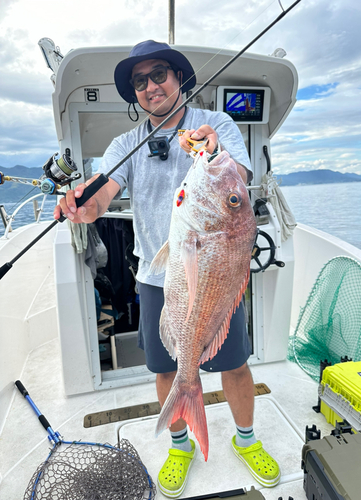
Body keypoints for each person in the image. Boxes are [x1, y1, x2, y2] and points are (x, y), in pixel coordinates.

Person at [54, 40, 280, 497]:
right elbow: (101, 196)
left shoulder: (214, 124)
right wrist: (82, 206)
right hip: (159, 276)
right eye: (141, 81)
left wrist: (214, 152)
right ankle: (180, 444)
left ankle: (247, 440)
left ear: (178, 78)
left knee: (234, 364)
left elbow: (237, 174)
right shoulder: (126, 143)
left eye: (159, 74)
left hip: (216, 272)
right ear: (135, 93)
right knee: (167, 369)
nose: (151, 86)